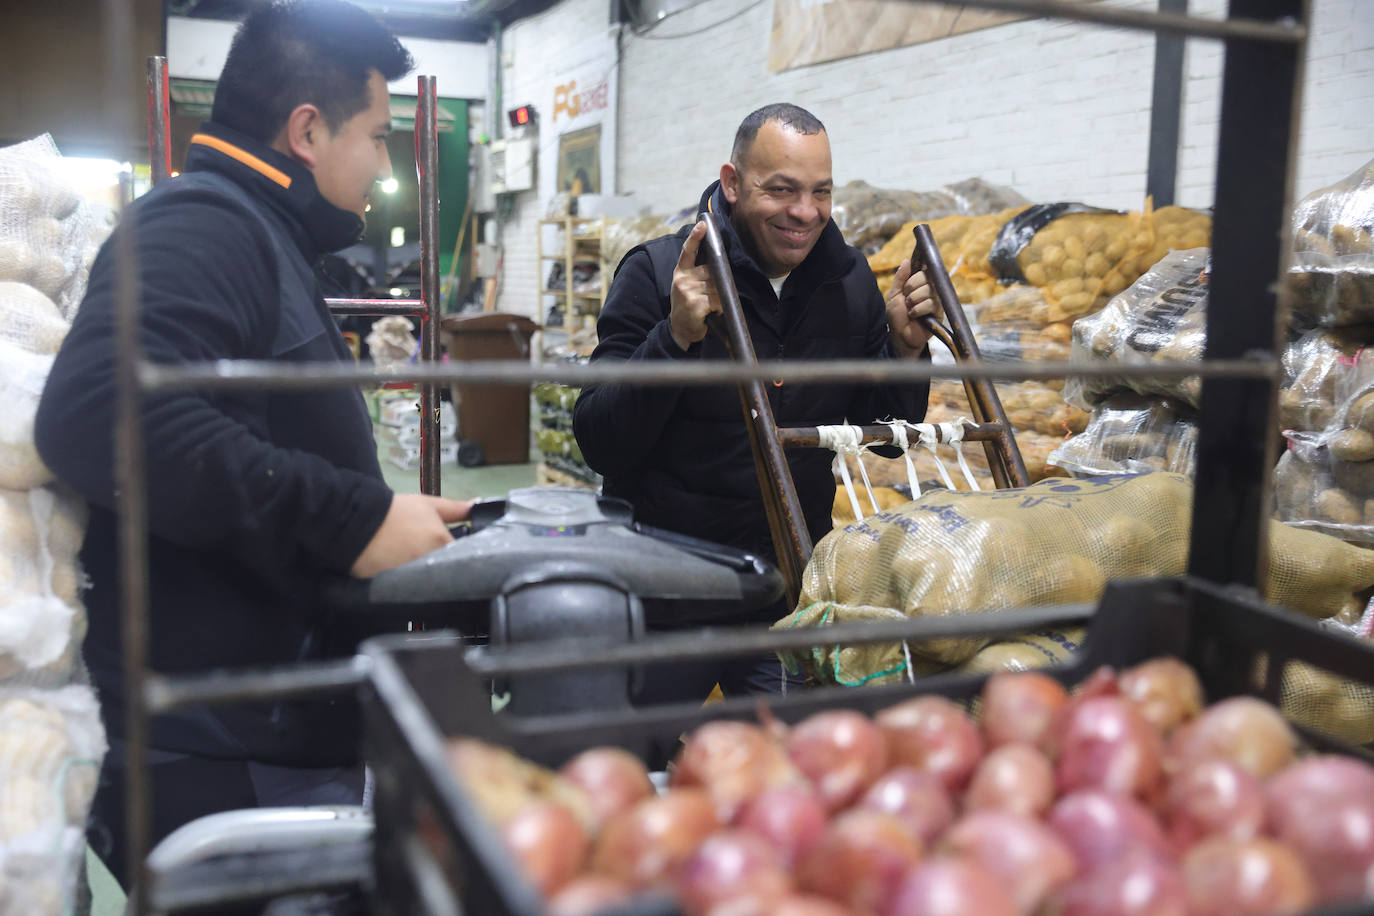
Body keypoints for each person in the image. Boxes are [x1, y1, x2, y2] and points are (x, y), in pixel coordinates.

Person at [34, 0, 471, 883]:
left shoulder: (260, 232)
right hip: (220, 745)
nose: (385, 164)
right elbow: (99, 409)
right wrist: (352, 519)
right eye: (379, 136)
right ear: (308, 130)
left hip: (263, 724)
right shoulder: (203, 224)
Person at [572, 103, 937, 698]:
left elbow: (886, 436)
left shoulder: (848, 286)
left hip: (787, 587)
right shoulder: (658, 272)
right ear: (733, 183)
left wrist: (903, 350)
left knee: (790, 762)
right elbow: (600, 440)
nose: (805, 212)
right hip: (664, 586)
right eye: (782, 189)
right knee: (632, 758)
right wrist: (675, 337)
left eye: (821, 192)